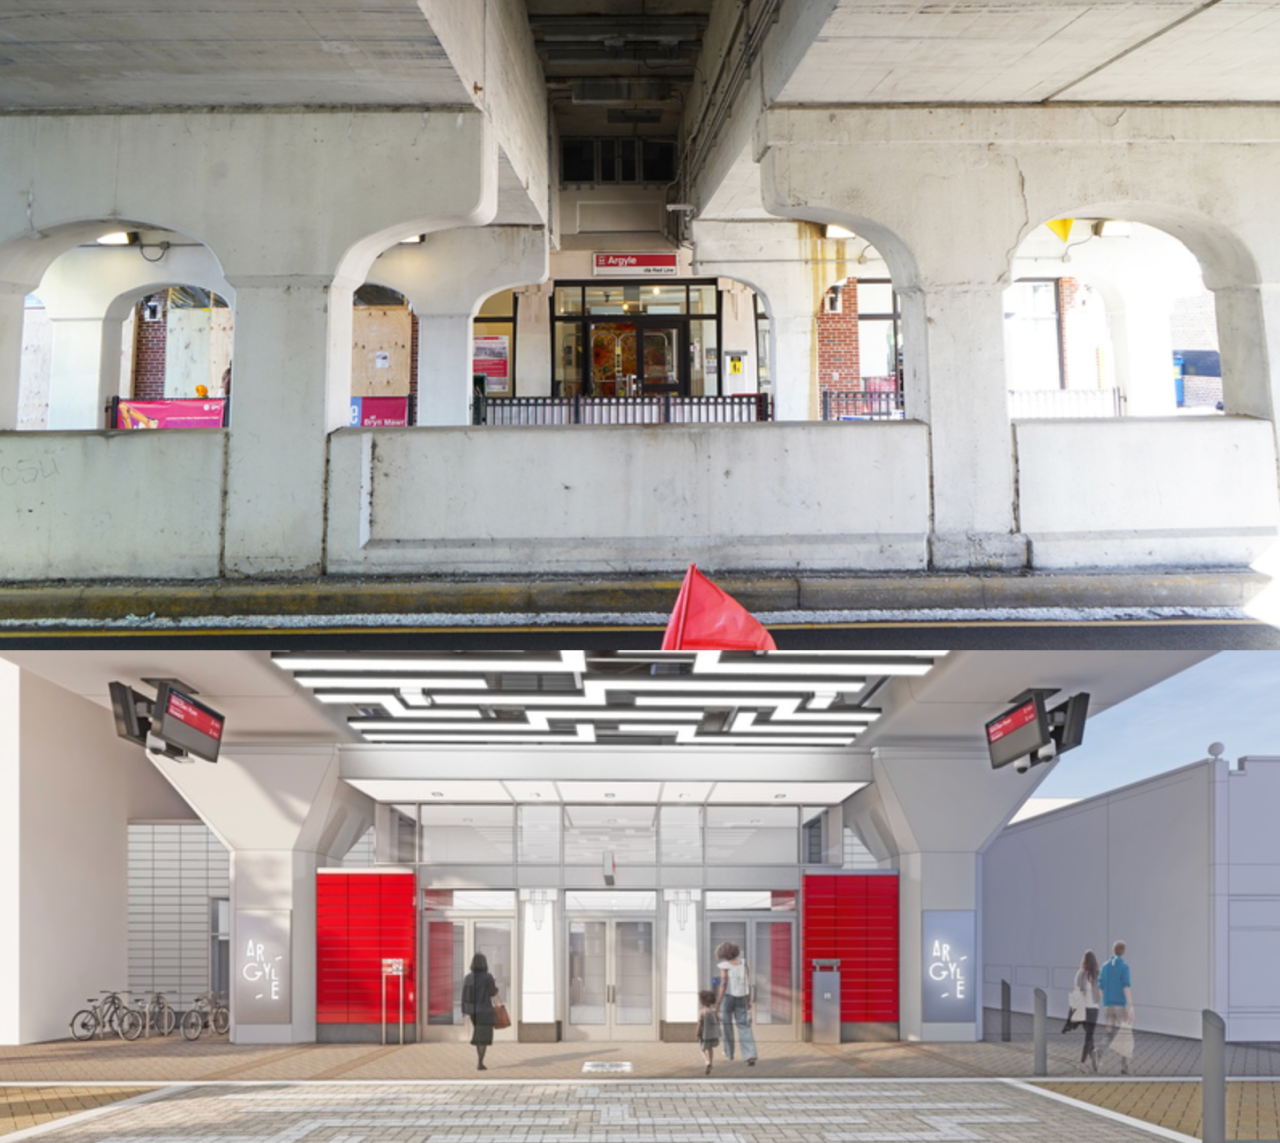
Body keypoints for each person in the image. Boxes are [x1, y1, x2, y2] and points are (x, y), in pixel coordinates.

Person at [715, 940, 757, 1065]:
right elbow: (747, 981)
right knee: (744, 1026)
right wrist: (748, 998)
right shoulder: (744, 963)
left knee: (727, 1026)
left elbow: (723, 985)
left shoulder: (724, 966)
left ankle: (729, 1053)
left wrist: (717, 1004)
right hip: (742, 997)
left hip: (728, 998)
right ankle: (750, 1055)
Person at [1099, 939, 1134, 1074]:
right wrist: (1130, 1006)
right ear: (1123, 951)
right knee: (1126, 1033)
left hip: (1107, 1005)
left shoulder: (1105, 966)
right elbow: (1126, 986)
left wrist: (1105, 1002)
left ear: (1113, 950)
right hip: (1119, 1005)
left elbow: (1101, 986)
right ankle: (1124, 1067)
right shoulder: (1124, 967)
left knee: (1109, 1033)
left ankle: (1098, 1052)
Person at [461, 952, 499, 1071]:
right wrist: (495, 984)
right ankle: (480, 1062)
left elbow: (464, 995)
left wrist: (464, 1010)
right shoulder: (488, 977)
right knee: (483, 1037)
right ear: (484, 963)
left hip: (473, 1012)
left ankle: (480, 1061)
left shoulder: (468, 977)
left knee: (479, 1035)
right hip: (485, 1010)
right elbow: (493, 993)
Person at [1074, 949, 1102, 1073]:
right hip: (1094, 1009)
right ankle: (1094, 1054)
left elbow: (1076, 991)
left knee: (1088, 1037)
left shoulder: (1080, 974)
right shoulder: (1098, 974)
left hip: (1083, 1009)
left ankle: (1082, 1063)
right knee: (1089, 1036)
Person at [697, 989, 721, 1075]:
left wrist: (697, 1033)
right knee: (710, 1048)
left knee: (702, 1049)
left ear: (702, 1001)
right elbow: (718, 1020)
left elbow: (700, 1024)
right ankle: (711, 1063)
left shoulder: (701, 1012)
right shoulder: (714, 1011)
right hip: (713, 1034)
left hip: (704, 1035)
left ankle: (707, 1062)